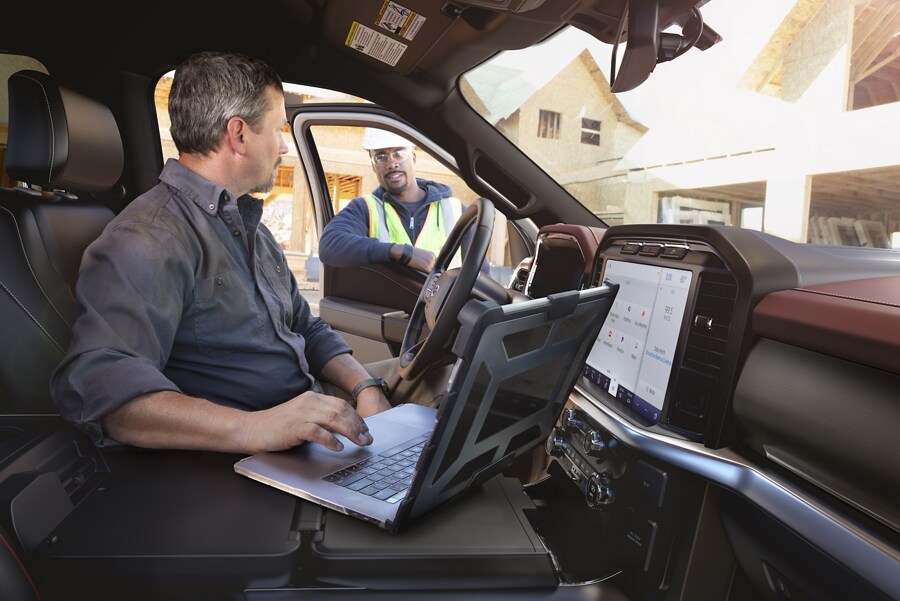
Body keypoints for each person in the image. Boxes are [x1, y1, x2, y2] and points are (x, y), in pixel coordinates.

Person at [50, 51, 393, 456]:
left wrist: (364, 386)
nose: (284, 146)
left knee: (437, 386)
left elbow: (306, 327)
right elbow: (105, 387)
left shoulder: (251, 229)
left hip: (306, 415)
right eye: (278, 129)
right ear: (239, 134)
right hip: (247, 451)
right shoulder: (147, 238)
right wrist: (252, 428)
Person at [318, 128, 464, 273]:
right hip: (388, 296)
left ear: (413, 158)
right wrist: (399, 252)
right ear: (373, 167)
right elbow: (329, 245)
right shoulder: (365, 208)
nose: (391, 164)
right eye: (381, 157)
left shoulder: (457, 211)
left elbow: (481, 276)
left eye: (399, 154)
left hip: (446, 297)